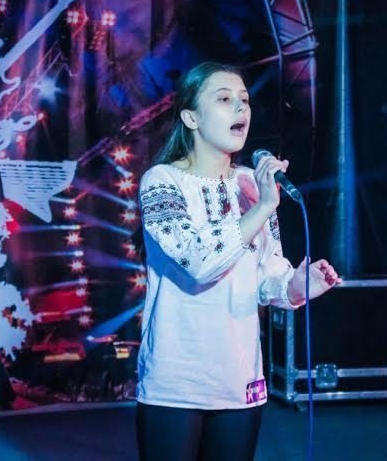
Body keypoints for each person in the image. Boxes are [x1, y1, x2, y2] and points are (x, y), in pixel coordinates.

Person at [135, 61, 341, 461]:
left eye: (244, 100)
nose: (240, 108)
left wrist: (297, 285)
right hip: (176, 382)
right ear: (191, 117)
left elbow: (267, 278)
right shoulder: (162, 182)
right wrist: (263, 207)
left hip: (239, 378)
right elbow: (199, 263)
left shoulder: (251, 184)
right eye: (225, 99)